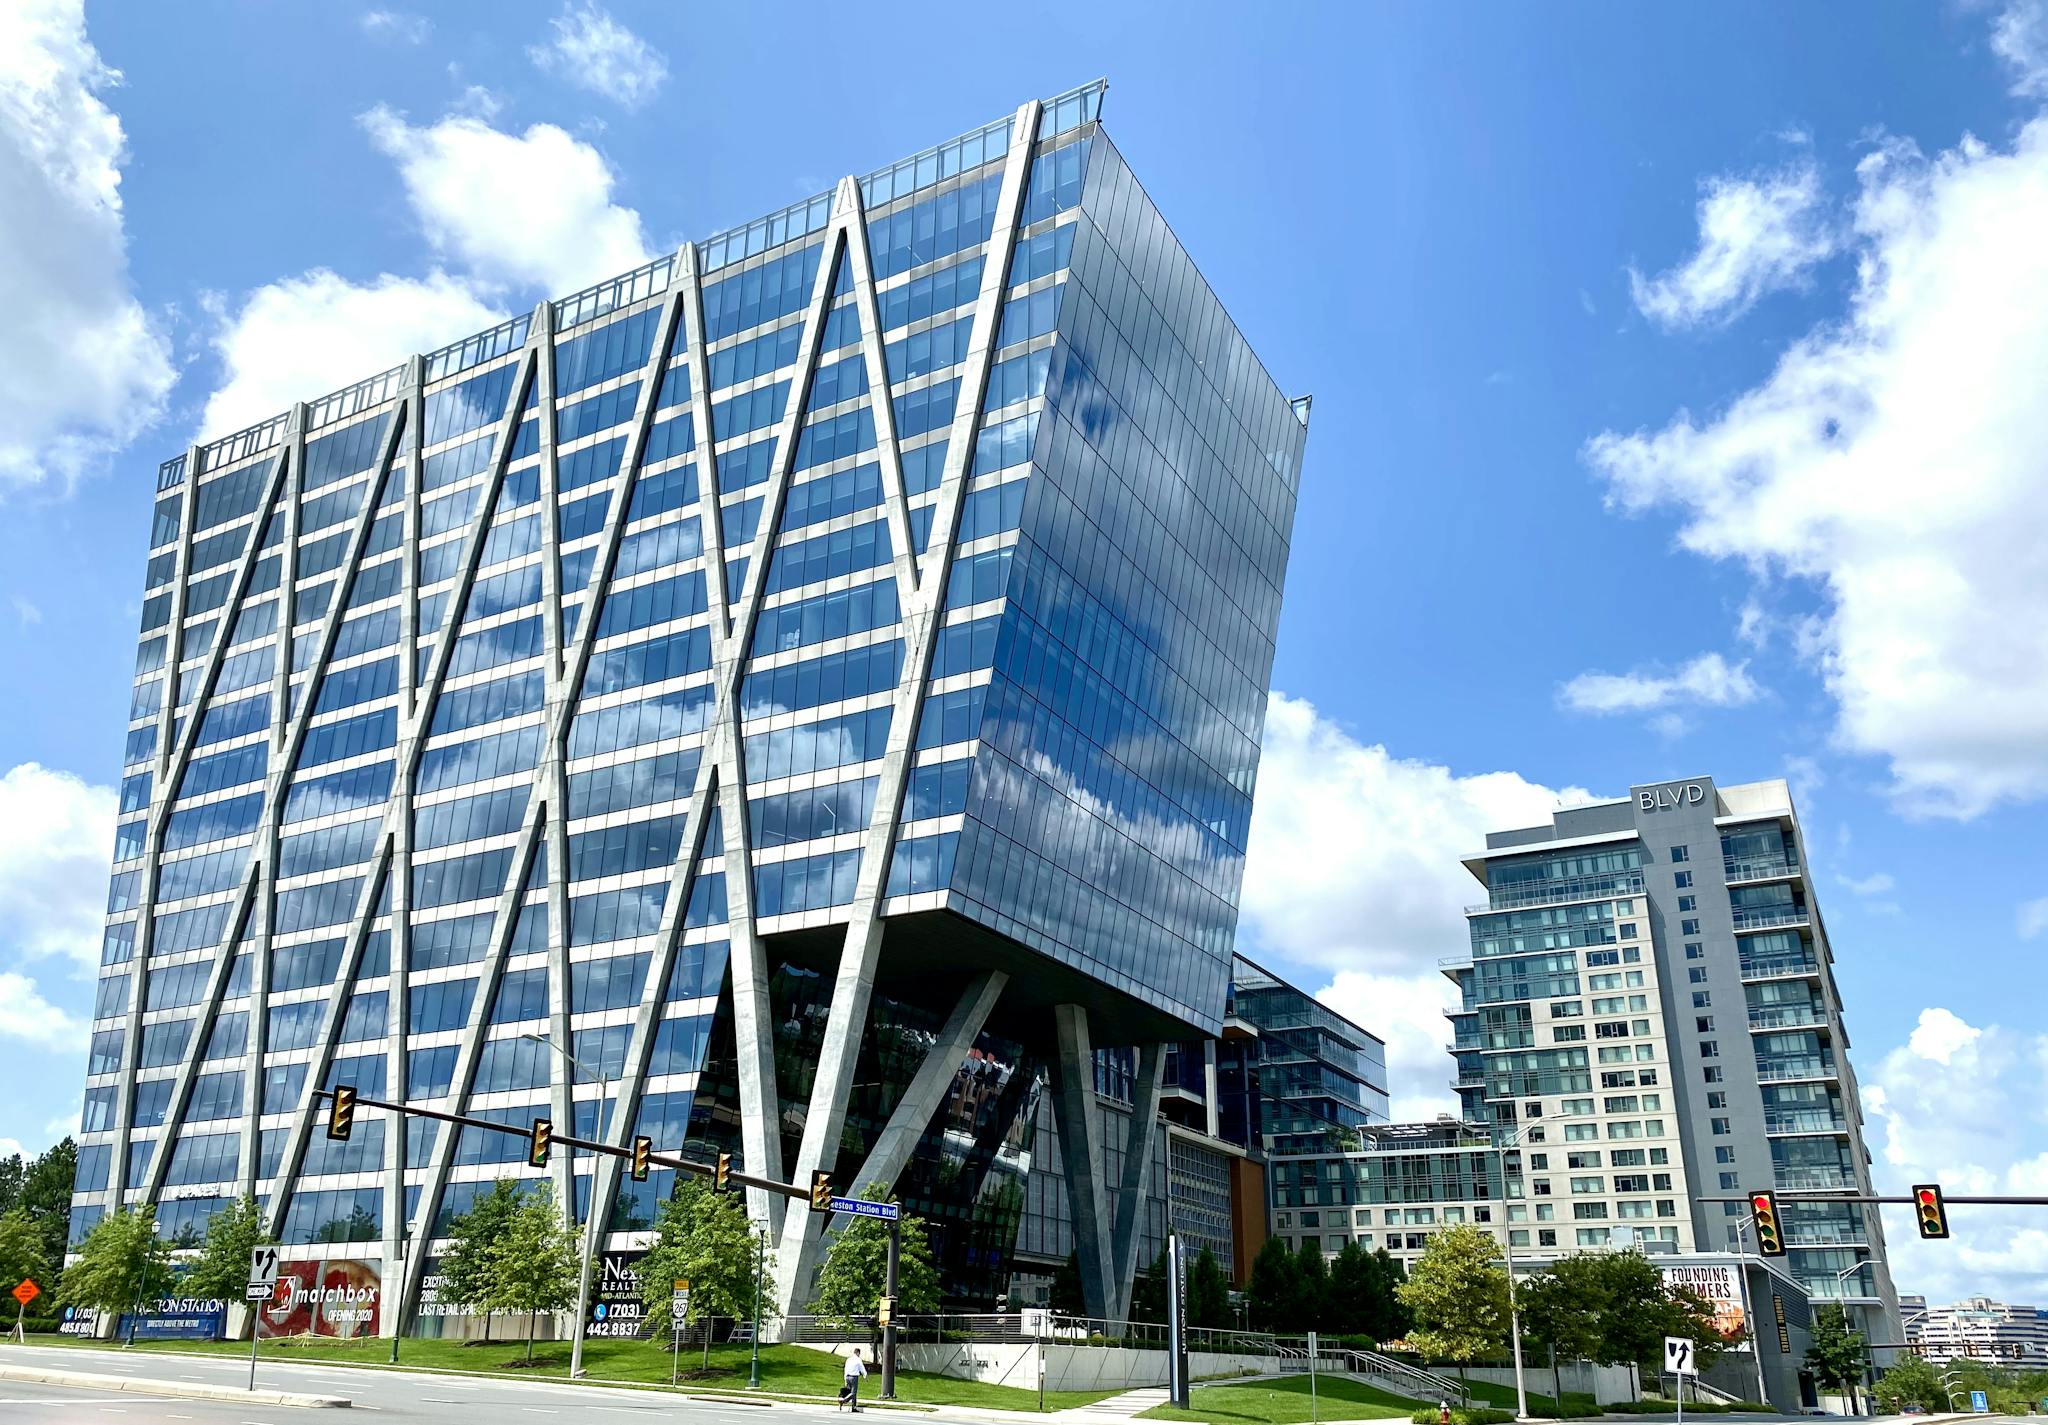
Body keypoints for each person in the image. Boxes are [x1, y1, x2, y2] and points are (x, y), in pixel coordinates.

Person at [841, 1348, 869, 1412]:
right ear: (858, 1353)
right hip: (854, 1377)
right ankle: (844, 1400)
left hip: (848, 1376)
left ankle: (854, 1407)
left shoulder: (848, 1359)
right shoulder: (858, 1360)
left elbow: (846, 1369)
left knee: (851, 1392)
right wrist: (865, 1376)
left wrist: (845, 1379)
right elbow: (862, 1369)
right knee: (853, 1393)